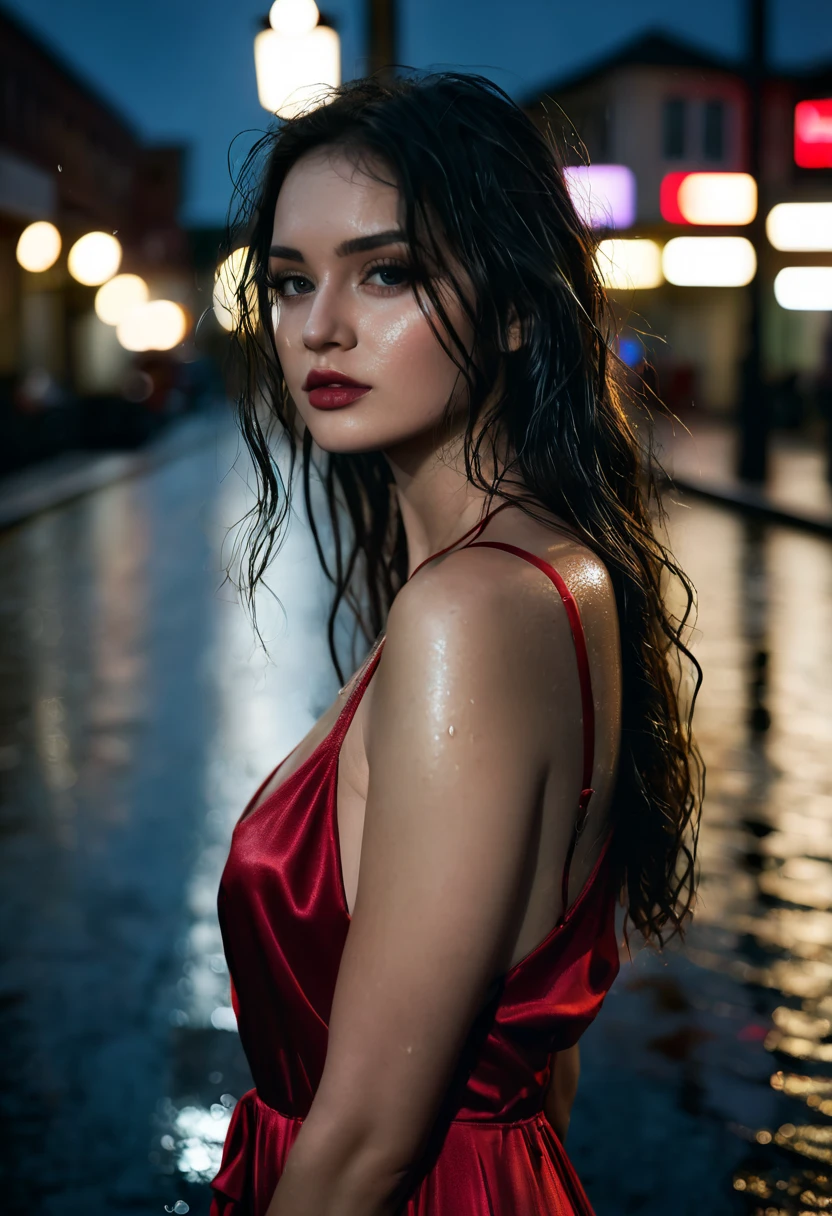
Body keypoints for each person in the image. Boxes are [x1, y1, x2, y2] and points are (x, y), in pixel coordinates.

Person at [209, 71, 704, 1216]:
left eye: (386, 272)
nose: (319, 324)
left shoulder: (468, 610)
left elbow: (369, 1140)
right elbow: (540, 1057)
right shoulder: (557, 567)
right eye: (289, 282)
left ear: (519, 305)